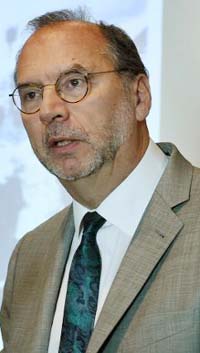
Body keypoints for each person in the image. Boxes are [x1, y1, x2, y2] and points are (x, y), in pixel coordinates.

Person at [1, 7, 200, 353]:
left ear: (139, 97)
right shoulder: (29, 255)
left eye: (74, 83)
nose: (48, 110)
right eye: (32, 93)